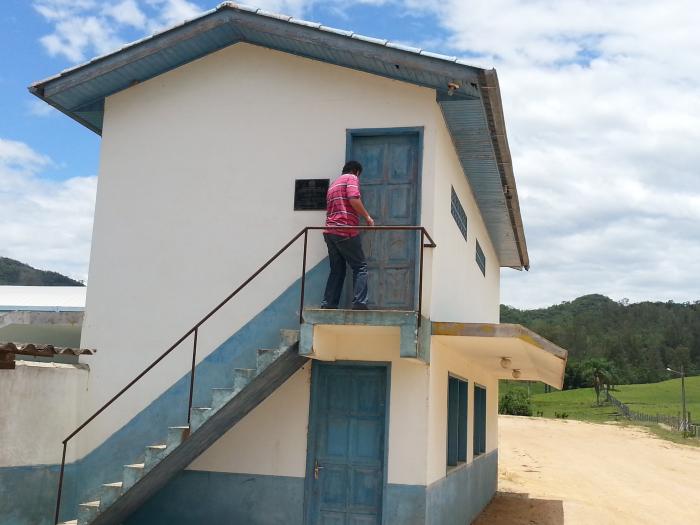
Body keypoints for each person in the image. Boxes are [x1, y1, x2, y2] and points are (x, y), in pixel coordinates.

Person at [321, 160, 374, 310]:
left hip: (330, 232)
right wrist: (367, 217)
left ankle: (328, 305)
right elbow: (353, 199)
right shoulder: (352, 178)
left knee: (337, 270)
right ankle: (359, 304)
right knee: (360, 266)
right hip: (345, 230)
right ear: (356, 171)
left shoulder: (334, 184)